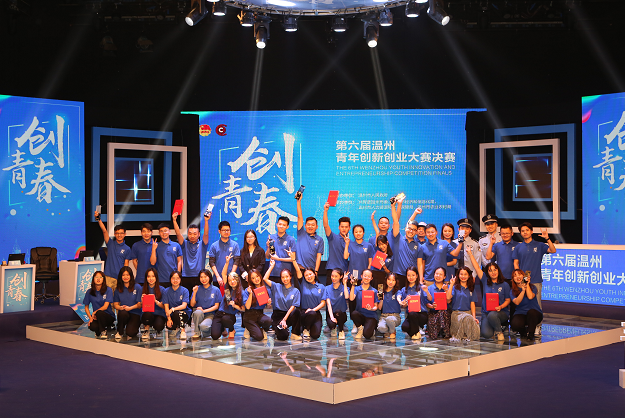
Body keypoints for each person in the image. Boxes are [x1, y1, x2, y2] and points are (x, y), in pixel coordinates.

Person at [512, 222, 556, 337]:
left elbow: (553, 250)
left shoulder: (539, 245)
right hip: (522, 281)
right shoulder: (518, 247)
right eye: (522, 231)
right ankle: (524, 326)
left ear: (531, 231)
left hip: (535, 279)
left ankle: (537, 327)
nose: (525, 232)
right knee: (522, 304)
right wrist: (519, 277)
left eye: (527, 230)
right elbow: (516, 262)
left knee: (536, 304)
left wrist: (547, 239)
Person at [467, 250, 510, 341]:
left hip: (501, 313)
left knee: (493, 315)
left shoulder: (505, 284)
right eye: (490, 271)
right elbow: (477, 268)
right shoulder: (485, 280)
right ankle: (493, 327)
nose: (493, 272)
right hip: (486, 313)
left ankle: (499, 332)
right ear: (488, 273)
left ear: (498, 270)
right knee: (486, 334)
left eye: (495, 270)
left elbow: (508, 300)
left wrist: (501, 306)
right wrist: (470, 254)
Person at [262, 259, 302, 341]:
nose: (285, 279)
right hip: (277, 316)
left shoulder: (295, 291)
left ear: (290, 277)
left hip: (288, 315)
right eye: (283, 277)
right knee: (283, 337)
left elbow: (292, 307)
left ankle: (295, 333)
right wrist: (271, 266)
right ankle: (277, 329)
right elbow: (265, 279)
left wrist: (284, 320)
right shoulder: (276, 286)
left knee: (297, 312)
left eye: (287, 276)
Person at [172, 210, 211, 292]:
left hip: (200, 277)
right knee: (187, 298)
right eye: (190, 233)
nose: (192, 235)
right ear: (187, 234)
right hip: (186, 276)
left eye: (194, 233)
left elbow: (206, 234)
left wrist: (206, 221)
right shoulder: (184, 244)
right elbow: (178, 234)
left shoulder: (203, 244)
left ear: (199, 234)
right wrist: (174, 220)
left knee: (198, 298)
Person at [95, 210, 130, 290]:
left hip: (120, 278)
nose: (119, 235)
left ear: (125, 234)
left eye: (121, 233)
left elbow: (126, 265)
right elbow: (104, 231)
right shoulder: (110, 243)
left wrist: (125, 277)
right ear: (114, 234)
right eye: (117, 233)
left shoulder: (127, 248)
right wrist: (98, 219)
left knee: (119, 297)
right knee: (108, 297)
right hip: (108, 277)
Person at [292, 258, 326, 339]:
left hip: (315, 312)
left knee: (315, 335)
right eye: (306, 275)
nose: (309, 276)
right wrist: (293, 260)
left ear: (314, 274)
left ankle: (309, 327)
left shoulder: (321, 286)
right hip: (304, 313)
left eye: (310, 274)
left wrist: (313, 310)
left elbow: (323, 303)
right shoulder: (303, 283)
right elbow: (298, 270)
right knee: (310, 315)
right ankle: (306, 329)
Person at [211, 258, 245, 340]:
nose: (232, 282)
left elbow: (244, 309)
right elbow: (223, 274)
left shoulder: (242, 292)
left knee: (225, 319)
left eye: (234, 279)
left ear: (237, 279)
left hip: (230, 316)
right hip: (219, 314)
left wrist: (235, 305)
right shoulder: (227, 289)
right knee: (215, 336)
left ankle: (231, 329)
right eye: (230, 280)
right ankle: (222, 328)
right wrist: (227, 263)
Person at [390, 198, 420, 288]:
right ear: (405, 229)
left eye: (414, 230)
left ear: (416, 232)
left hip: (411, 278)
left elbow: (419, 264)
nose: (411, 231)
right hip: (398, 276)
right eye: (409, 229)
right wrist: (394, 206)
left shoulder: (418, 245)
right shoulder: (398, 238)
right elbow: (396, 222)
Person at [510, 269, 543, 341]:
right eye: (515, 275)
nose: (518, 277)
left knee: (531, 313)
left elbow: (530, 297)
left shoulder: (533, 287)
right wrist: (523, 291)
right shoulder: (512, 291)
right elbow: (517, 302)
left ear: (523, 276)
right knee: (515, 324)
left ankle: (531, 334)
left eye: (519, 274)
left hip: (535, 314)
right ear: (513, 279)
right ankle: (523, 333)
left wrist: (526, 284)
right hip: (521, 313)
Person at [447, 267, 480, 342]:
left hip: (468, 313)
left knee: (471, 321)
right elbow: (448, 298)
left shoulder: (471, 288)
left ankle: (467, 335)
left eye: (465, 274)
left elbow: (472, 304)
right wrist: (451, 284)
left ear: (469, 276)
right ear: (458, 275)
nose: (463, 276)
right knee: (467, 318)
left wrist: (474, 317)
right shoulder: (454, 287)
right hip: (457, 313)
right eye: (461, 274)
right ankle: (464, 335)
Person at [295, 193, 324, 274]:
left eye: (313, 225)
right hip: (299, 270)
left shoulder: (320, 239)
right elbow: (300, 216)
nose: (310, 226)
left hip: (311, 271)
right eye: (308, 224)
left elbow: (319, 257)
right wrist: (298, 201)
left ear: (317, 226)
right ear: (305, 226)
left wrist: (316, 271)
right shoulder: (301, 233)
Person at [398, 267, 429, 340]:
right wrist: (405, 302)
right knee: (404, 327)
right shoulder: (404, 289)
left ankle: (416, 331)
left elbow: (429, 299)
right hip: (410, 316)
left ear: (416, 276)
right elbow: (403, 304)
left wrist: (427, 292)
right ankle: (417, 331)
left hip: (422, 315)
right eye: (408, 275)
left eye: (413, 275)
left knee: (412, 314)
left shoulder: (422, 287)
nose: (411, 277)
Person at [190, 269, 222, 339]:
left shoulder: (215, 289)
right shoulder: (197, 288)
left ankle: (208, 331)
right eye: (201, 277)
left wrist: (204, 311)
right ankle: (197, 332)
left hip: (210, 314)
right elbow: (192, 304)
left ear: (209, 277)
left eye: (205, 276)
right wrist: (194, 292)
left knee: (204, 326)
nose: (203, 279)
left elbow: (216, 306)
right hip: (199, 314)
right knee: (197, 312)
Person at [83, 270, 115, 338]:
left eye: (100, 277)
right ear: (93, 279)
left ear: (103, 279)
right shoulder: (89, 292)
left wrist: (95, 312)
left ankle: (103, 331)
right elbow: (86, 307)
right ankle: (99, 330)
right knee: (92, 326)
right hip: (96, 317)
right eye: (96, 277)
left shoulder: (108, 290)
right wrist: (90, 318)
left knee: (99, 313)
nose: (98, 279)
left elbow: (105, 306)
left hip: (108, 316)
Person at [113, 266, 142, 340]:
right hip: (124, 312)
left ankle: (131, 327)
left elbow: (140, 304)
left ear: (131, 275)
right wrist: (120, 307)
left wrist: (130, 308)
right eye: (123, 275)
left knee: (130, 333)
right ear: (121, 276)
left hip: (135, 313)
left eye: (127, 275)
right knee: (122, 314)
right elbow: (115, 304)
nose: (125, 277)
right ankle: (120, 332)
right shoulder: (118, 289)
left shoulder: (137, 287)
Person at [242, 268, 272, 341]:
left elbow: (267, 306)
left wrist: (269, 304)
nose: (256, 279)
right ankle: (249, 329)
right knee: (259, 337)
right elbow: (247, 307)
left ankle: (259, 329)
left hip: (260, 314)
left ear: (260, 276)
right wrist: (250, 294)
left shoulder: (266, 289)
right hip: (249, 316)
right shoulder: (247, 290)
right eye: (253, 278)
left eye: (257, 276)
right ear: (250, 280)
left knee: (269, 320)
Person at [349, 269, 379, 340]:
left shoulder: (374, 291)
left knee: (367, 335)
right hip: (360, 315)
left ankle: (371, 328)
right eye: (365, 275)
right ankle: (360, 328)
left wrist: (371, 308)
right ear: (361, 276)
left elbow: (376, 307)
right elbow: (351, 298)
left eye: (369, 276)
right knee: (354, 313)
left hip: (371, 316)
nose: (366, 278)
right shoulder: (357, 289)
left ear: (371, 278)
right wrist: (353, 285)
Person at [208, 221, 240, 287]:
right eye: (224, 230)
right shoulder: (214, 246)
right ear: (219, 231)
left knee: (230, 294)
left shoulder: (235, 245)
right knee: (219, 294)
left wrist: (231, 275)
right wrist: (217, 276)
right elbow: (211, 262)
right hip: (218, 279)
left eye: (228, 230)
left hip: (232, 280)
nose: (226, 232)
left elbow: (236, 261)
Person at [265, 216, 297, 283]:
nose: (281, 226)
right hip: (273, 272)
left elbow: (293, 258)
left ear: (287, 227)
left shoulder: (291, 239)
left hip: (286, 274)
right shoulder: (271, 237)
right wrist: (268, 247)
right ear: (277, 224)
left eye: (284, 225)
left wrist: (278, 259)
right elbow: (267, 256)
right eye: (280, 224)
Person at [323, 201, 350, 277]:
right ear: (339, 227)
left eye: (346, 227)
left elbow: (349, 258)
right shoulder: (332, 237)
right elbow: (325, 225)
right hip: (331, 270)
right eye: (342, 227)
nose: (344, 229)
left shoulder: (351, 243)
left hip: (343, 272)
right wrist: (325, 211)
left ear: (349, 228)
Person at [163, 270, 191, 340]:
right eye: (173, 278)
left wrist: (173, 309)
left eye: (177, 278)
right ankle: (176, 328)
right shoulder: (166, 291)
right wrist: (169, 319)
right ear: (170, 279)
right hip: (172, 314)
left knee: (176, 313)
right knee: (170, 326)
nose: (175, 280)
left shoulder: (185, 290)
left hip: (184, 313)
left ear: (180, 279)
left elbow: (184, 305)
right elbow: (166, 306)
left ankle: (183, 330)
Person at [140, 268, 167, 340]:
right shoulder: (142, 289)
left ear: (156, 277)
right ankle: (146, 329)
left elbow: (164, 307)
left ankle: (157, 329)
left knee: (159, 326)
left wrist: (155, 301)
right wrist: (142, 301)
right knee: (147, 315)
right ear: (146, 278)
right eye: (148, 276)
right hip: (147, 314)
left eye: (153, 276)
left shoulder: (162, 289)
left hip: (159, 314)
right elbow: (139, 306)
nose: (151, 278)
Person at [425, 267, 451, 339]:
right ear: (434, 275)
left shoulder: (448, 287)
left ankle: (443, 329)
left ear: (444, 277)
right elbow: (426, 303)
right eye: (436, 274)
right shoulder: (429, 288)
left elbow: (449, 301)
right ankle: (440, 329)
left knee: (443, 313)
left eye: (441, 274)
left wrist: (446, 290)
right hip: (433, 313)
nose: (438, 276)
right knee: (433, 336)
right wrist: (432, 306)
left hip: (446, 314)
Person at [324, 268, 350, 340]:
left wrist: (345, 283)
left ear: (341, 277)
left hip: (341, 314)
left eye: (336, 276)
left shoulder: (344, 288)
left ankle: (341, 331)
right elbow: (328, 304)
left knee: (338, 312)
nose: (333, 278)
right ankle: (333, 328)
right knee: (331, 323)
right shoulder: (327, 288)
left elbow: (347, 296)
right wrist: (332, 317)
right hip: (331, 314)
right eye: (332, 276)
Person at [377, 273, 401, 340]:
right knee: (380, 328)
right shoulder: (381, 290)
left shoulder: (397, 291)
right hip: (384, 316)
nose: (391, 282)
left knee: (389, 319)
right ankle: (389, 330)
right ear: (386, 280)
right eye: (389, 279)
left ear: (396, 281)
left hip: (395, 316)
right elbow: (379, 308)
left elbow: (399, 297)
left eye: (393, 280)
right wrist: (381, 299)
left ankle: (392, 332)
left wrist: (400, 301)